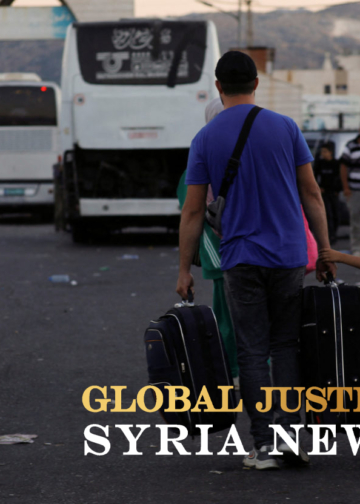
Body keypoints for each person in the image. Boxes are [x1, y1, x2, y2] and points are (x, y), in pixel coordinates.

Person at [176, 51, 336, 470]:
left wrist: (183, 269)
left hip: (240, 258)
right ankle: (290, 436)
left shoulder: (206, 138)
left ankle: (263, 444)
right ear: (256, 83)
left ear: (217, 87)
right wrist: (324, 250)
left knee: (251, 349)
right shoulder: (285, 127)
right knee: (286, 344)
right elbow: (312, 193)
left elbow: (193, 211)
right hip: (287, 255)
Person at [314, 142, 341, 244]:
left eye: (325, 152)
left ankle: (334, 234)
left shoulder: (335, 163)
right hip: (324, 192)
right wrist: (318, 187)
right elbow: (315, 176)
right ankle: (329, 235)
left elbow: (340, 178)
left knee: (336, 214)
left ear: (330, 152)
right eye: (322, 152)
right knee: (327, 214)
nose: (323, 154)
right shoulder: (320, 164)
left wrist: (338, 190)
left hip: (333, 193)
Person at [340, 131, 360, 256]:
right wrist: (346, 187)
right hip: (354, 190)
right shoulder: (351, 146)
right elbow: (343, 167)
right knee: (355, 220)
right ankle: (357, 248)